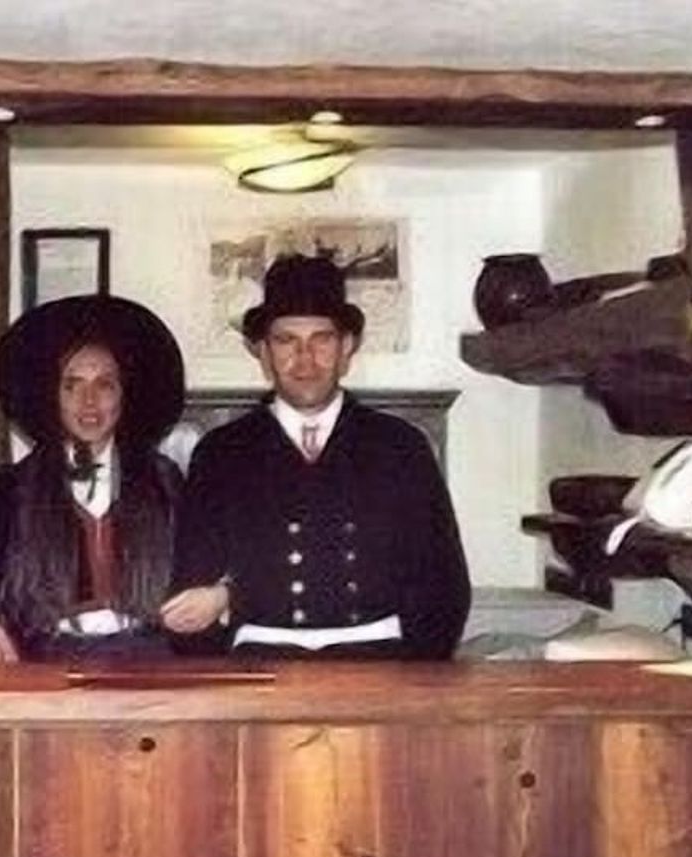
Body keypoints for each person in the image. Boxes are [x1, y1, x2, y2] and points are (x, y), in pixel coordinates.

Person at [161, 254, 470, 659]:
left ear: (347, 348)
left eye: (322, 339)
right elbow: (189, 595)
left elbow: (443, 589)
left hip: (378, 663)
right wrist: (223, 678)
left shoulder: (400, 447)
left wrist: (413, 680)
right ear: (263, 352)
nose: (305, 359)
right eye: (286, 340)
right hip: (259, 664)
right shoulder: (221, 453)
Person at [0, 294, 186, 662]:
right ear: (53, 396)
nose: (88, 401)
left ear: (124, 396)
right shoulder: (13, 488)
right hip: (42, 658)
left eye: (104, 384)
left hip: (150, 660)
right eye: (72, 385)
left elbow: (203, 577)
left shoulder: (164, 481)